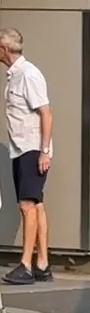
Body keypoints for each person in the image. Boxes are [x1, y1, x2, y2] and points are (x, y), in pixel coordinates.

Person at [0, 28, 53, 284]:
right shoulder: (15, 75)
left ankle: (26, 266)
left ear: (4, 49)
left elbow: (46, 113)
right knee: (37, 204)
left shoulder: (28, 75)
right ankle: (42, 263)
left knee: (26, 205)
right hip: (21, 148)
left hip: (31, 148)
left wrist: (43, 152)